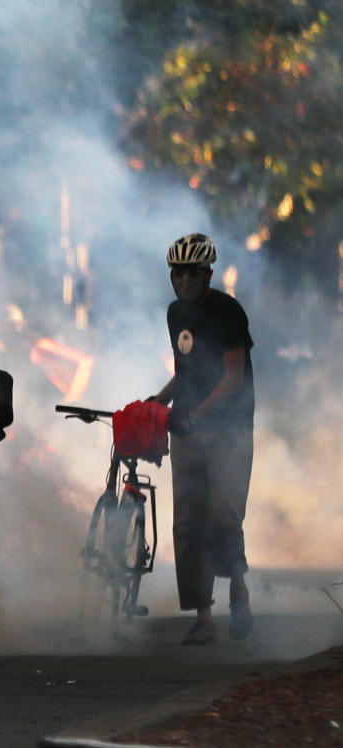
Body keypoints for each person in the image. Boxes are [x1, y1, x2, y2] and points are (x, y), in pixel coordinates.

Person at [151, 233, 256, 645]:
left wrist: (198, 413)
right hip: (188, 432)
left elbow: (233, 376)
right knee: (188, 523)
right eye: (177, 273)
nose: (182, 281)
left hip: (229, 429)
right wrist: (157, 403)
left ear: (207, 273)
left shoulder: (227, 311)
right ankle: (204, 616)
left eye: (191, 273)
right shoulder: (175, 314)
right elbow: (185, 371)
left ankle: (238, 589)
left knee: (224, 516)